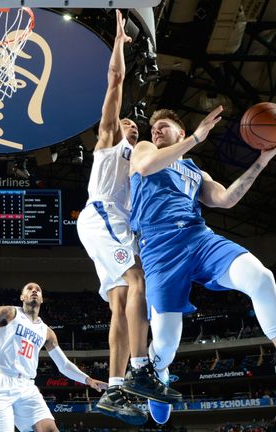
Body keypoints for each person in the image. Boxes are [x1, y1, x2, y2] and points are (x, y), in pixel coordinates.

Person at [128, 106, 276, 421]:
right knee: (165, 343)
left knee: (260, 277)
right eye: (154, 128)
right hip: (160, 248)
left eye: (163, 127)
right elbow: (147, 166)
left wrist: (263, 159)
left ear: (179, 131)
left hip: (199, 239)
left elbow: (227, 199)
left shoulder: (196, 171)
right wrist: (196, 137)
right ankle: (159, 373)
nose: (155, 131)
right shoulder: (144, 148)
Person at [76, 9, 181, 425]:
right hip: (101, 214)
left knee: (121, 301)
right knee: (136, 280)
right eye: (125, 123)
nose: (130, 125)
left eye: (134, 125)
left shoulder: (143, 161)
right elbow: (115, 82)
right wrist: (119, 44)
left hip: (117, 225)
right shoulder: (106, 143)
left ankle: (116, 388)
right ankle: (141, 369)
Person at [0, 282, 107, 432]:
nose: (34, 291)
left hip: (26, 386)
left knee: (50, 429)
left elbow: (63, 365)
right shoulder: (9, 313)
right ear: (22, 297)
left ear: (42, 299)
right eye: (29, 289)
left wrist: (88, 380)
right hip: (0, 381)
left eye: (37, 290)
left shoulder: (47, 332)